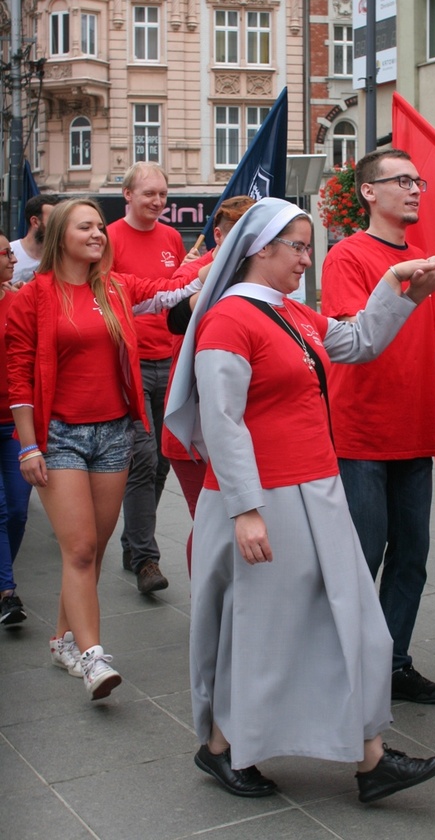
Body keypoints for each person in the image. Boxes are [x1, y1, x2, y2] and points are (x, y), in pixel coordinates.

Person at [165, 197, 435, 801]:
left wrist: (403, 288)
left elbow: (360, 341)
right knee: (261, 633)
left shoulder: (290, 314)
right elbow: (222, 421)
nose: (306, 257)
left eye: (307, 244)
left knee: (352, 624)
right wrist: (245, 511)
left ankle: (370, 758)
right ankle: (222, 748)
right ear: (259, 249)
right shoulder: (228, 320)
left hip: (315, 490)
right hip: (262, 498)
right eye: (296, 245)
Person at [5, 198, 202, 700]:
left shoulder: (115, 287)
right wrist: (29, 447)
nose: (98, 233)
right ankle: (93, 657)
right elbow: (18, 378)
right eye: (86, 226)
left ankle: (61, 639)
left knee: (90, 552)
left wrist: (219, 257)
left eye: (99, 227)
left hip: (115, 433)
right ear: (60, 236)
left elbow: (169, 290)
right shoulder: (33, 297)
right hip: (60, 436)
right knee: (81, 548)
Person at [320, 149, 435, 705]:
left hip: (414, 430)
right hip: (361, 433)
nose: (413, 189)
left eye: (416, 181)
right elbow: (354, 337)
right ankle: (346, 668)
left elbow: (423, 344)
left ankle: (392, 664)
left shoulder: (423, 259)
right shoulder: (348, 257)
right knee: (364, 556)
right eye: (400, 180)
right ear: (368, 193)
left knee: (412, 559)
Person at [164, 195, 255, 573]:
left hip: (242, 423)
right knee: (209, 524)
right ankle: (207, 612)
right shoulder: (191, 275)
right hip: (196, 428)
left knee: (238, 523)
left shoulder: (259, 272)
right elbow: (174, 319)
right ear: (218, 235)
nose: (247, 246)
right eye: (237, 237)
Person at [108, 162, 186, 594]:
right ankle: (145, 559)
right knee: (143, 458)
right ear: (127, 195)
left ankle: (132, 541)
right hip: (130, 363)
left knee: (164, 459)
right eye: (148, 194)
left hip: (169, 359)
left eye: (162, 194)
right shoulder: (110, 238)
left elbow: (175, 299)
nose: (157, 202)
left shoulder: (172, 237)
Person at [0, 235, 33, 625]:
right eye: (6, 253)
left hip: (14, 424)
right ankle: (8, 591)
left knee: (19, 512)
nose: (13, 258)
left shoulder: (18, 301)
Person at [10, 195, 60, 285]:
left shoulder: (62, 257)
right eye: (53, 221)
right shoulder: (9, 253)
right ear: (35, 222)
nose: (59, 226)